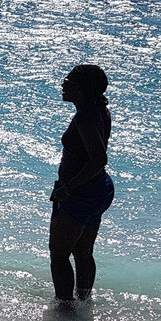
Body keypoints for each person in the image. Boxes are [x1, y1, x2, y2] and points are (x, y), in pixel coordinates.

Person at [49, 64, 114, 303]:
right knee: (83, 252)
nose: (63, 85)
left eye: (68, 82)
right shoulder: (98, 110)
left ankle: (65, 310)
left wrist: (69, 187)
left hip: (81, 192)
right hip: (98, 188)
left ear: (81, 89)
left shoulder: (85, 116)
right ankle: (84, 303)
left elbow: (98, 159)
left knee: (59, 255)